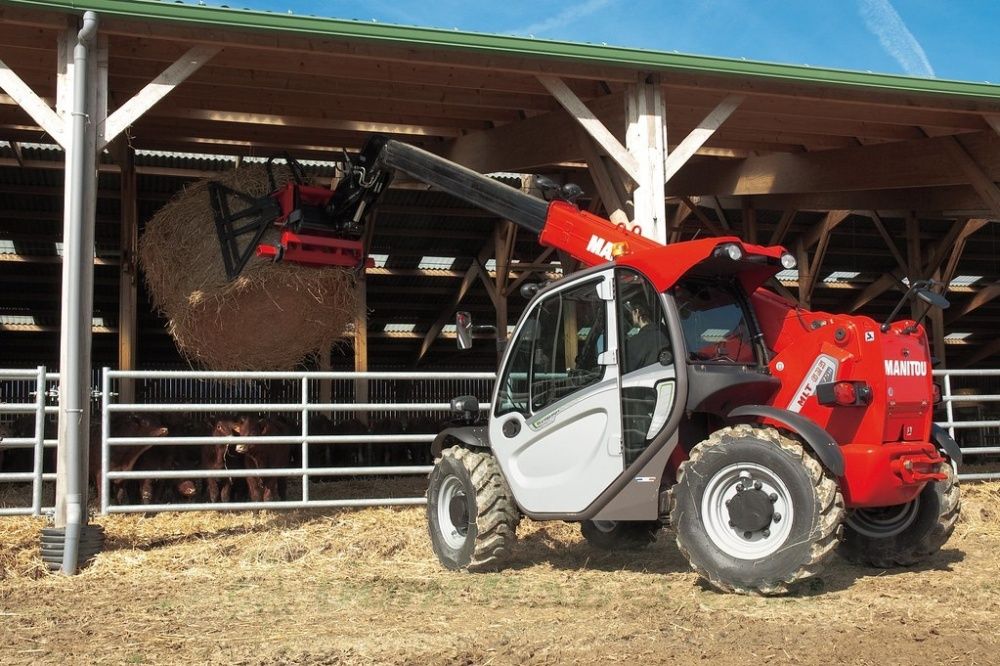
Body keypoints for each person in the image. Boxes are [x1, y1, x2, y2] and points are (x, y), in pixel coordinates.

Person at [624, 300, 662, 371]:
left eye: (632, 313)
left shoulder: (634, 342)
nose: (631, 317)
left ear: (637, 312)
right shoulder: (662, 333)